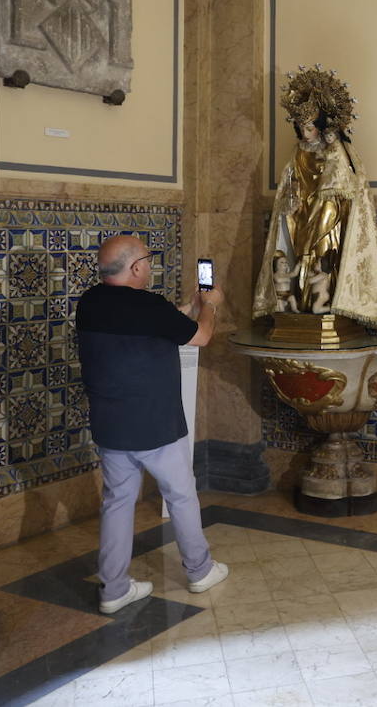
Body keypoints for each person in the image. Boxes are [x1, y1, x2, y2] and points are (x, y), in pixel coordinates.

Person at [76, 235, 229, 613]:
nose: (149, 264)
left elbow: (156, 323)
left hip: (111, 424)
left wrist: (189, 306)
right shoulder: (148, 306)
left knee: (117, 502)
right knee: (180, 495)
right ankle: (200, 570)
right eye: (146, 258)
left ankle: (113, 589)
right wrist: (209, 306)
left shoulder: (90, 302)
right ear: (135, 268)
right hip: (155, 424)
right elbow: (202, 336)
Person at [252, 66, 377, 330]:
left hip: (329, 208)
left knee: (323, 253)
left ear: (321, 125)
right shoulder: (299, 153)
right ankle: (301, 303)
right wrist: (291, 202)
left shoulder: (339, 149)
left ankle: (324, 304)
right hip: (302, 211)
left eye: (310, 128)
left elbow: (344, 186)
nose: (306, 134)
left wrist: (325, 200)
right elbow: (290, 183)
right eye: (301, 127)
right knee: (298, 252)